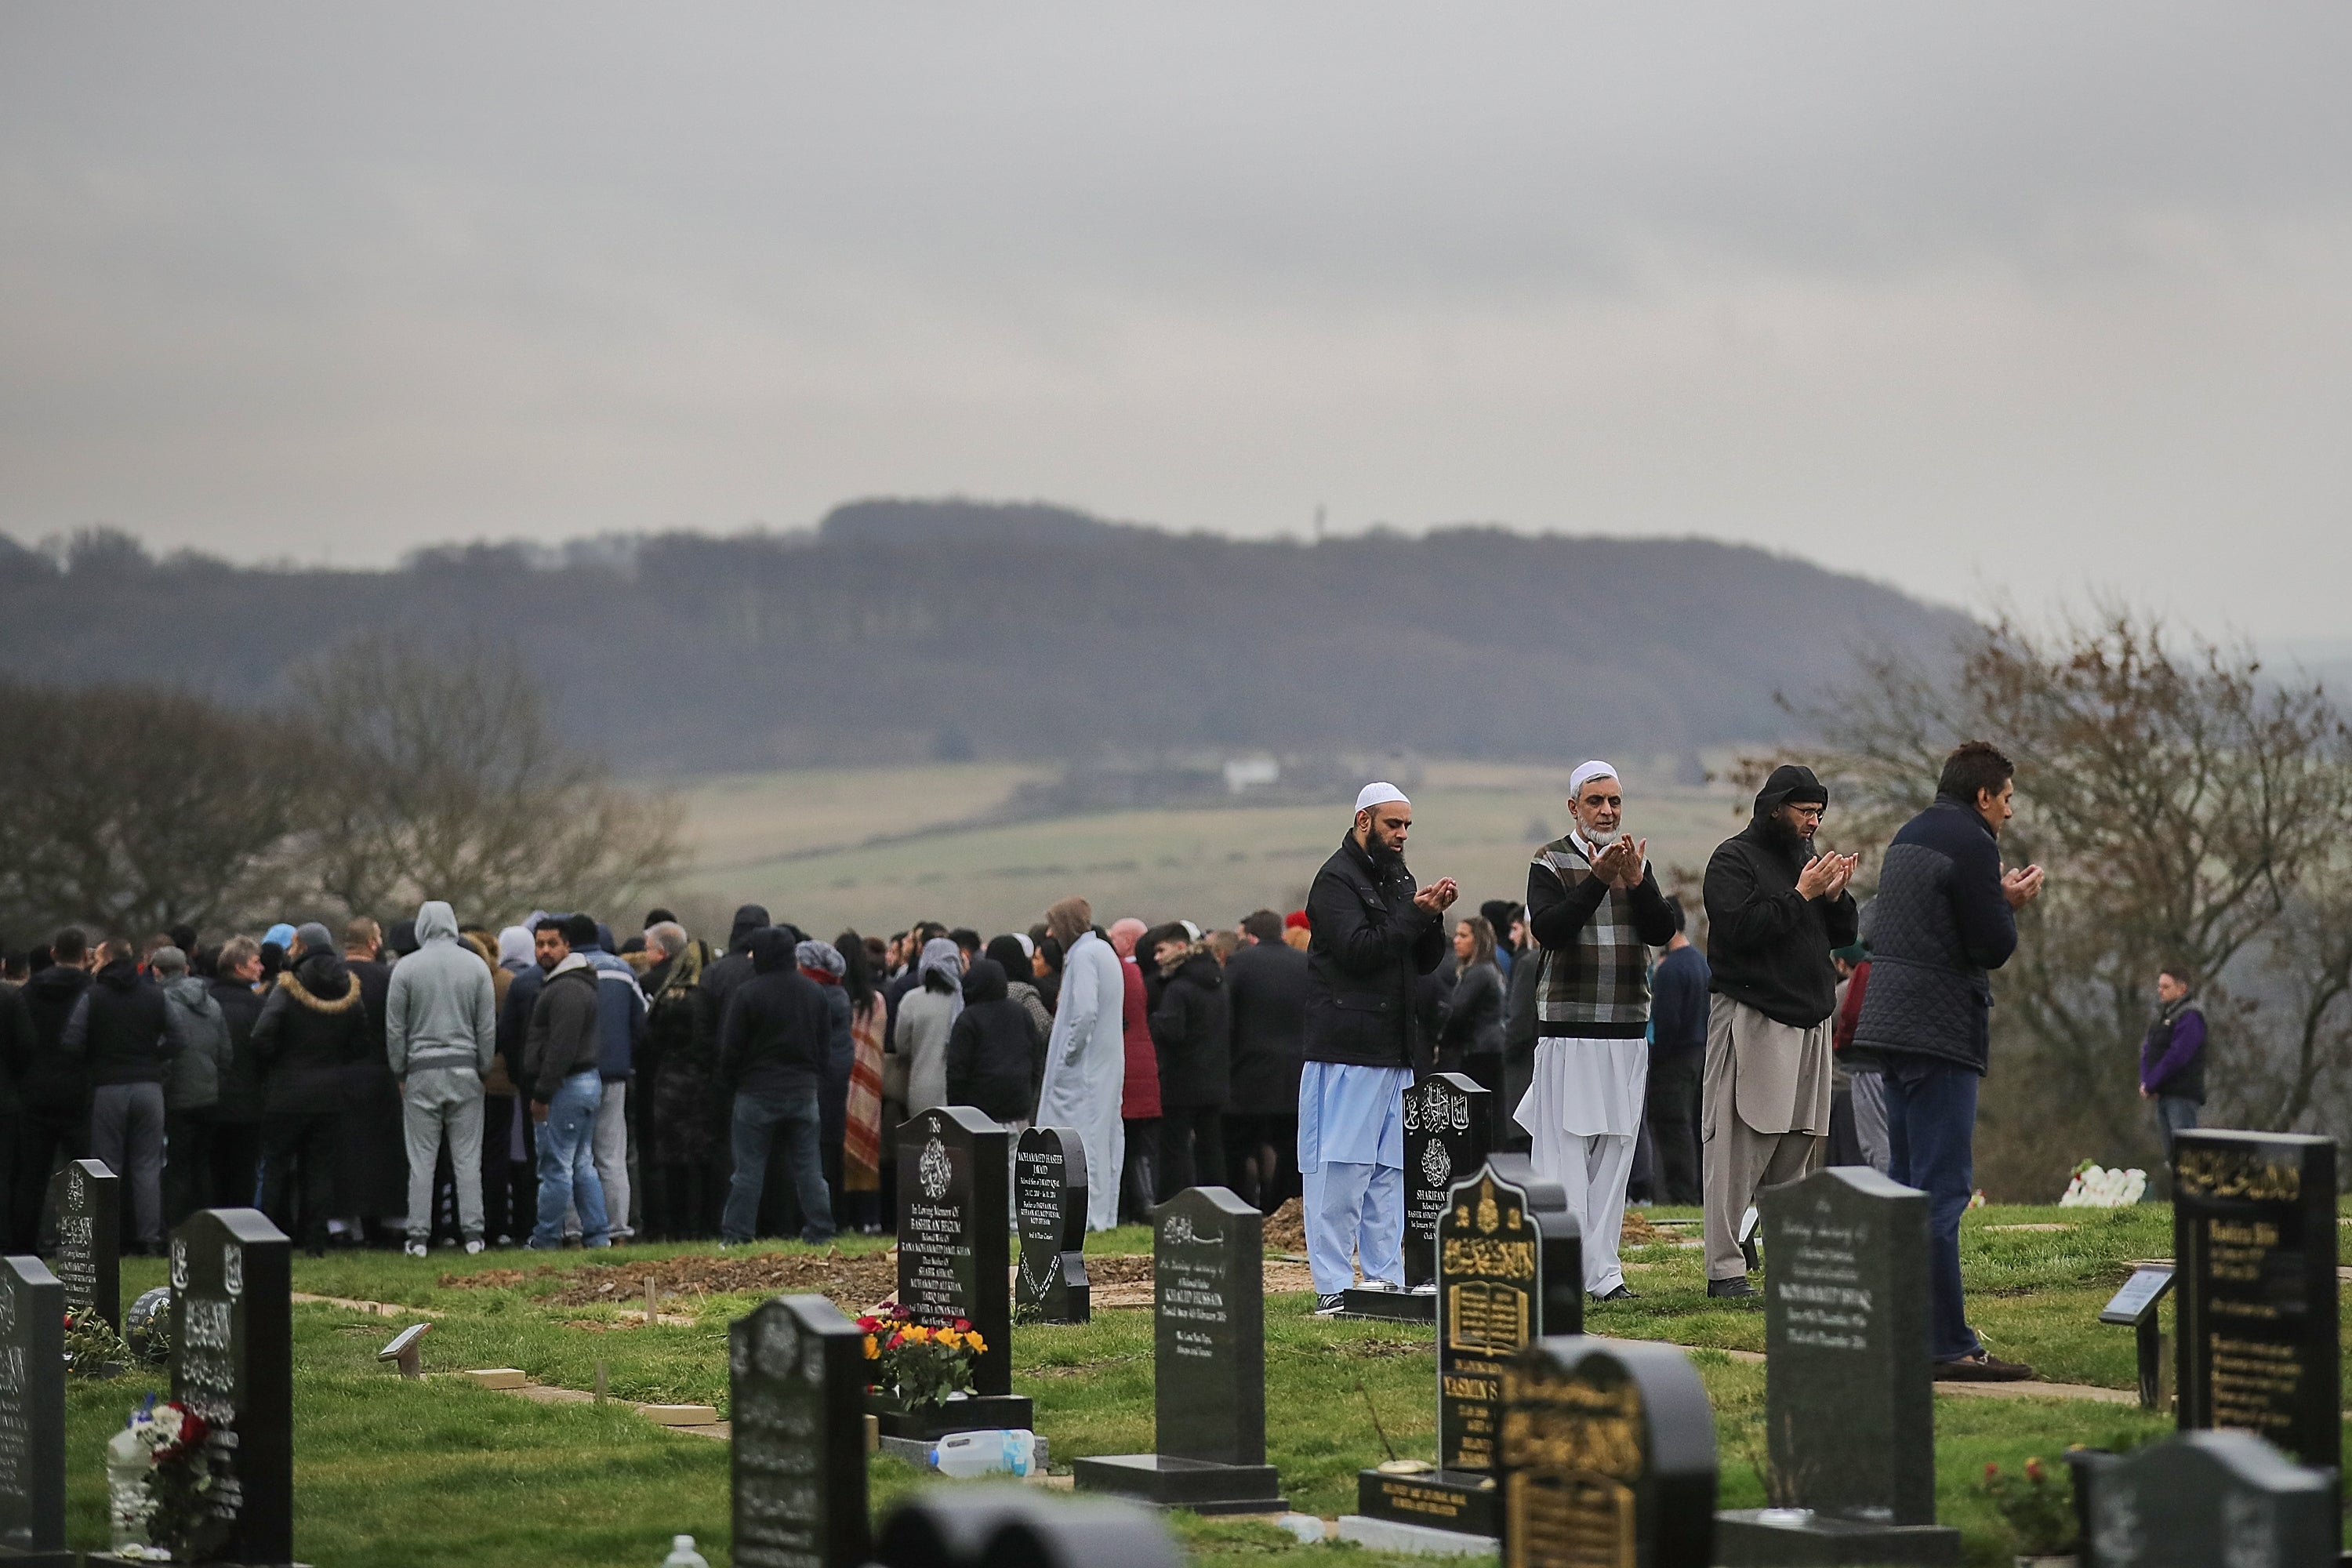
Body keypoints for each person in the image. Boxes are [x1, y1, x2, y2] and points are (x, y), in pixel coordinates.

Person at [1851, 739, 2045, 1381]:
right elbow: (1990, 945)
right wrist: (2007, 904)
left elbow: (1891, 927)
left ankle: (1908, 1332)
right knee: (1942, 1192)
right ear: (1983, 795)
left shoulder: (1909, 835)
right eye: (2008, 799)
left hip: (1889, 1027)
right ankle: (1949, 1345)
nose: (2010, 814)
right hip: (1939, 1031)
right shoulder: (1971, 842)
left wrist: (1989, 898)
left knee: (1906, 1190)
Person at [1515, 763, 1675, 1301]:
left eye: (1615, 801)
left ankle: (1604, 1273)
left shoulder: (1635, 860)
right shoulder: (1550, 861)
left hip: (1627, 1027)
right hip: (1568, 1026)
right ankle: (1559, 1267)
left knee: (1616, 1153)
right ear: (1574, 808)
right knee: (1564, 1153)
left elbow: (1661, 930)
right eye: (1596, 802)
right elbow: (1550, 929)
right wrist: (1599, 881)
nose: (1608, 811)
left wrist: (1634, 880)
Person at [1700, 765, 1858, 1298]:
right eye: (1804, 811)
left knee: (1797, 1149)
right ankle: (1724, 1270)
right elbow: (1741, 929)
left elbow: (1845, 937)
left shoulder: (1805, 860)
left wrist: (1834, 896)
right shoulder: (1732, 860)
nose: (1813, 821)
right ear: (1774, 809)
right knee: (1740, 1149)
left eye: (1819, 813)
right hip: (1754, 1017)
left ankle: (1789, 1262)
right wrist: (1801, 893)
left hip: (1811, 1020)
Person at [1301, 782, 1457, 1314]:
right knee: (1340, 1173)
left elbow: (1423, 960)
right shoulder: (1334, 881)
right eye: (1394, 824)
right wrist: (1414, 916)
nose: (1402, 835)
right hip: (1348, 1050)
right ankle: (1332, 1285)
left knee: (1390, 1176)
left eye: (1408, 826)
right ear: (1364, 820)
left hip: (1396, 1049)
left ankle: (1385, 1281)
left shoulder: (1401, 878)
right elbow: (1359, 951)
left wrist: (1432, 915)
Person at [385, 901, 497, 1257]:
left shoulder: (405, 969)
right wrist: (483, 1066)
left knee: (421, 1160)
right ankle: (474, 1235)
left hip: (420, 1073)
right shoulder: (477, 966)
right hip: (466, 1070)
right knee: (467, 1158)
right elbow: (486, 1026)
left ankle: (418, 1236)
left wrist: (400, 1068)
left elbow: (395, 1028)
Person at [63, 937, 187, 1254]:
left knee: (106, 1167)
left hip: (108, 1088)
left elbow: (72, 1042)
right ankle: (149, 1239)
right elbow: (178, 1037)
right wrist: (152, 1057)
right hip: (149, 1087)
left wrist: (97, 1062)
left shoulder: (94, 996)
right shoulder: (154, 994)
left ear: (105, 960)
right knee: (147, 1165)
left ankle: (108, 1238)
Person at [254, 924, 369, 1256]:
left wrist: (277, 1063)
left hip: (286, 1093)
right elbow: (360, 1042)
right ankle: (315, 1242)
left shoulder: (287, 987)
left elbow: (262, 1036)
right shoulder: (348, 988)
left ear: (302, 947)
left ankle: (266, 1239)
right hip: (330, 1092)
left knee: (275, 1166)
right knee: (319, 1170)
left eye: (293, 946)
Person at [717, 927, 836, 1245]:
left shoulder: (748, 993)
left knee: (748, 1170)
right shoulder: (815, 993)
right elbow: (825, 1049)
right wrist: (813, 1080)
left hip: (756, 1093)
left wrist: (730, 1083)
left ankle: (738, 1235)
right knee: (810, 1168)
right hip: (802, 1091)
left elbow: (731, 1050)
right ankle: (821, 1230)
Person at [1035, 897, 1127, 1231]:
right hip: (1101, 1067)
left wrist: (1068, 1056)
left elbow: (1085, 1013)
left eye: (1054, 926)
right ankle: (1101, 1214)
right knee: (1101, 1141)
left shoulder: (1086, 956)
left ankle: (1088, 1217)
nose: (1049, 933)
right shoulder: (1101, 951)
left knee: (1081, 1143)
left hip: (1084, 1072)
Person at [560, 913, 647, 1242]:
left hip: (574, 1076)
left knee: (572, 1156)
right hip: (615, 1075)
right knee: (612, 1156)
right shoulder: (622, 970)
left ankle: (575, 1229)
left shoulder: (565, 970)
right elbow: (641, 1024)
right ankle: (618, 1228)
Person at [522, 933, 610, 1250]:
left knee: (556, 1167)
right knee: (582, 1164)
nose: (545, 950)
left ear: (567, 947)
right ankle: (599, 1236)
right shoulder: (574, 983)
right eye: (540, 943)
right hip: (585, 1082)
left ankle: (545, 1239)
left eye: (552, 943)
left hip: (567, 1086)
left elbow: (561, 1047)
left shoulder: (566, 989)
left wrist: (542, 1093)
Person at [8, 927, 93, 1252]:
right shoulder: (92, 991)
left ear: (54, 953)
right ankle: (84, 1245)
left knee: (31, 1176)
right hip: (79, 1091)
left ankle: (25, 1244)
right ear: (86, 956)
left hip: (35, 1091)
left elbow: (22, 1043)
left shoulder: (27, 993)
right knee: (86, 1175)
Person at [1222, 909, 1309, 1213]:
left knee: (1239, 1148)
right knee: (1290, 1147)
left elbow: (1226, 1017)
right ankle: (1283, 1208)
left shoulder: (1239, 964)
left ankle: (1243, 1208)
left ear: (1251, 936)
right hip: (1297, 1074)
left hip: (1248, 1075)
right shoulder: (1305, 964)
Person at [643, 920, 718, 1238]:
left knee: (671, 1160)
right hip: (699, 1087)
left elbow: (650, 1041)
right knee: (700, 1159)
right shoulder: (704, 998)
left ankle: (674, 1227)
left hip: (667, 1085)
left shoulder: (664, 997)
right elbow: (707, 1043)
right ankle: (702, 1225)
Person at [1149, 924, 1230, 1195]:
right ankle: (1217, 1203)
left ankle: (1172, 1203)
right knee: (1211, 1148)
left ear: (1181, 947)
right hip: (1215, 1080)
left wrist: (1154, 1021)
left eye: (1162, 950)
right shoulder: (1217, 984)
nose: (1157, 957)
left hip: (1181, 1081)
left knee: (1174, 1147)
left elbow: (1173, 1031)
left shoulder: (1178, 988)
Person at [155, 946, 230, 1229]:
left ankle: (178, 1227)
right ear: (186, 968)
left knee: (178, 1167)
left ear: (156, 971)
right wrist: (215, 1083)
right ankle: (208, 1226)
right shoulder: (211, 1004)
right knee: (202, 1165)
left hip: (177, 1097)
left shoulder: (162, 1002)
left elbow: (165, 1056)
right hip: (209, 1095)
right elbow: (226, 1054)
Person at [1645, 898, 1708, 1206]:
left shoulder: (1670, 971)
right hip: (1698, 1054)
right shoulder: (1699, 962)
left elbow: (1667, 1022)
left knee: (1672, 1127)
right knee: (1690, 1124)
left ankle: (1681, 1195)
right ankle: (1695, 1190)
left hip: (1673, 1059)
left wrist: (1656, 1057)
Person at [205, 936, 270, 1216]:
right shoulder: (258, 1006)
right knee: (243, 1171)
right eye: (255, 962)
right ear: (239, 967)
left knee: (212, 1168)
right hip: (248, 1100)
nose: (262, 968)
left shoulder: (206, 1002)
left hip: (207, 1099)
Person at [797, 938, 855, 1234]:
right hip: (835, 1082)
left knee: (819, 1152)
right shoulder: (838, 995)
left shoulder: (818, 998)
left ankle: (823, 1217)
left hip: (822, 1083)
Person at [947, 956, 1042, 1133]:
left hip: (977, 1117)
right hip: (1018, 1112)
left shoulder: (968, 1019)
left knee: (984, 1160)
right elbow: (1035, 1060)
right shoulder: (1021, 1013)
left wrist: (956, 1112)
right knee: (1016, 1159)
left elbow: (956, 1072)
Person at [1107, 917, 1161, 1222]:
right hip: (1146, 1062)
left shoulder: (1118, 973)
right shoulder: (1142, 975)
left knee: (1129, 1141)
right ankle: (1146, 1202)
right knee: (1143, 1143)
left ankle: (1137, 1207)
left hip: (1126, 1065)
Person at [1436, 915, 1506, 1142]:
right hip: (1491, 1047)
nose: (1456, 941)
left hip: (1478, 1051)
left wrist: (1442, 1042)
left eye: (1463, 936)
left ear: (1479, 941)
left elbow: (1458, 1012)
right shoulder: (1492, 970)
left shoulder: (1477, 973)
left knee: (1473, 1116)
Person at [839, 931, 887, 1234]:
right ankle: (870, 1219)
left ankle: (844, 1219)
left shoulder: (833, 998)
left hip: (840, 1081)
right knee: (869, 1147)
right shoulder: (877, 1003)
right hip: (871, 1083)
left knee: (841, 1150)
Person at [1830, 942, 1888, 1173]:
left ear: (1842, 963)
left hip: (1849, 1080)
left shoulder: (1845, 991)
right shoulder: (1885, 980)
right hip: (1886, 1074)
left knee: (1859, 1154)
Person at [893, 936, 965, 1116]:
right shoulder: (963, 1000)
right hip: (960, 1092)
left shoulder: (911, 1000)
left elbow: (901, 1046)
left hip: (921, 1088)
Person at [2140, 964, 2206, 1160]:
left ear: (2182, 988)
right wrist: (2147, 1082)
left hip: (2181, 1095)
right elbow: (2148, 1049)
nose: (2160, 991)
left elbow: (2177, 1056)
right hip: (2163, 1094)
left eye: (2166, 987)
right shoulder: (2162, 1016)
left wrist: (2153, 1082)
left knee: (2185, 1155)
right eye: (2159, 986)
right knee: (2172, 1156)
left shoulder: (2191, 1016)